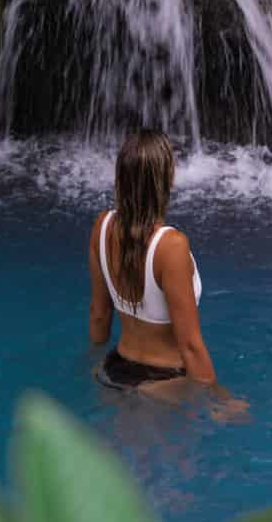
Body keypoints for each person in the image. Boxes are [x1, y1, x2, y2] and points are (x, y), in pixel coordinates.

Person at [88, 128, 246, 414]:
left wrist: (91, 359)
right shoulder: (171, 246)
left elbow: (99, 315)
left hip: (112, 372)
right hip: (162, 386)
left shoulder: (102, 227)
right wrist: (219, 399)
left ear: (120, 177)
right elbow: (191, 346)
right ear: (167, 179)